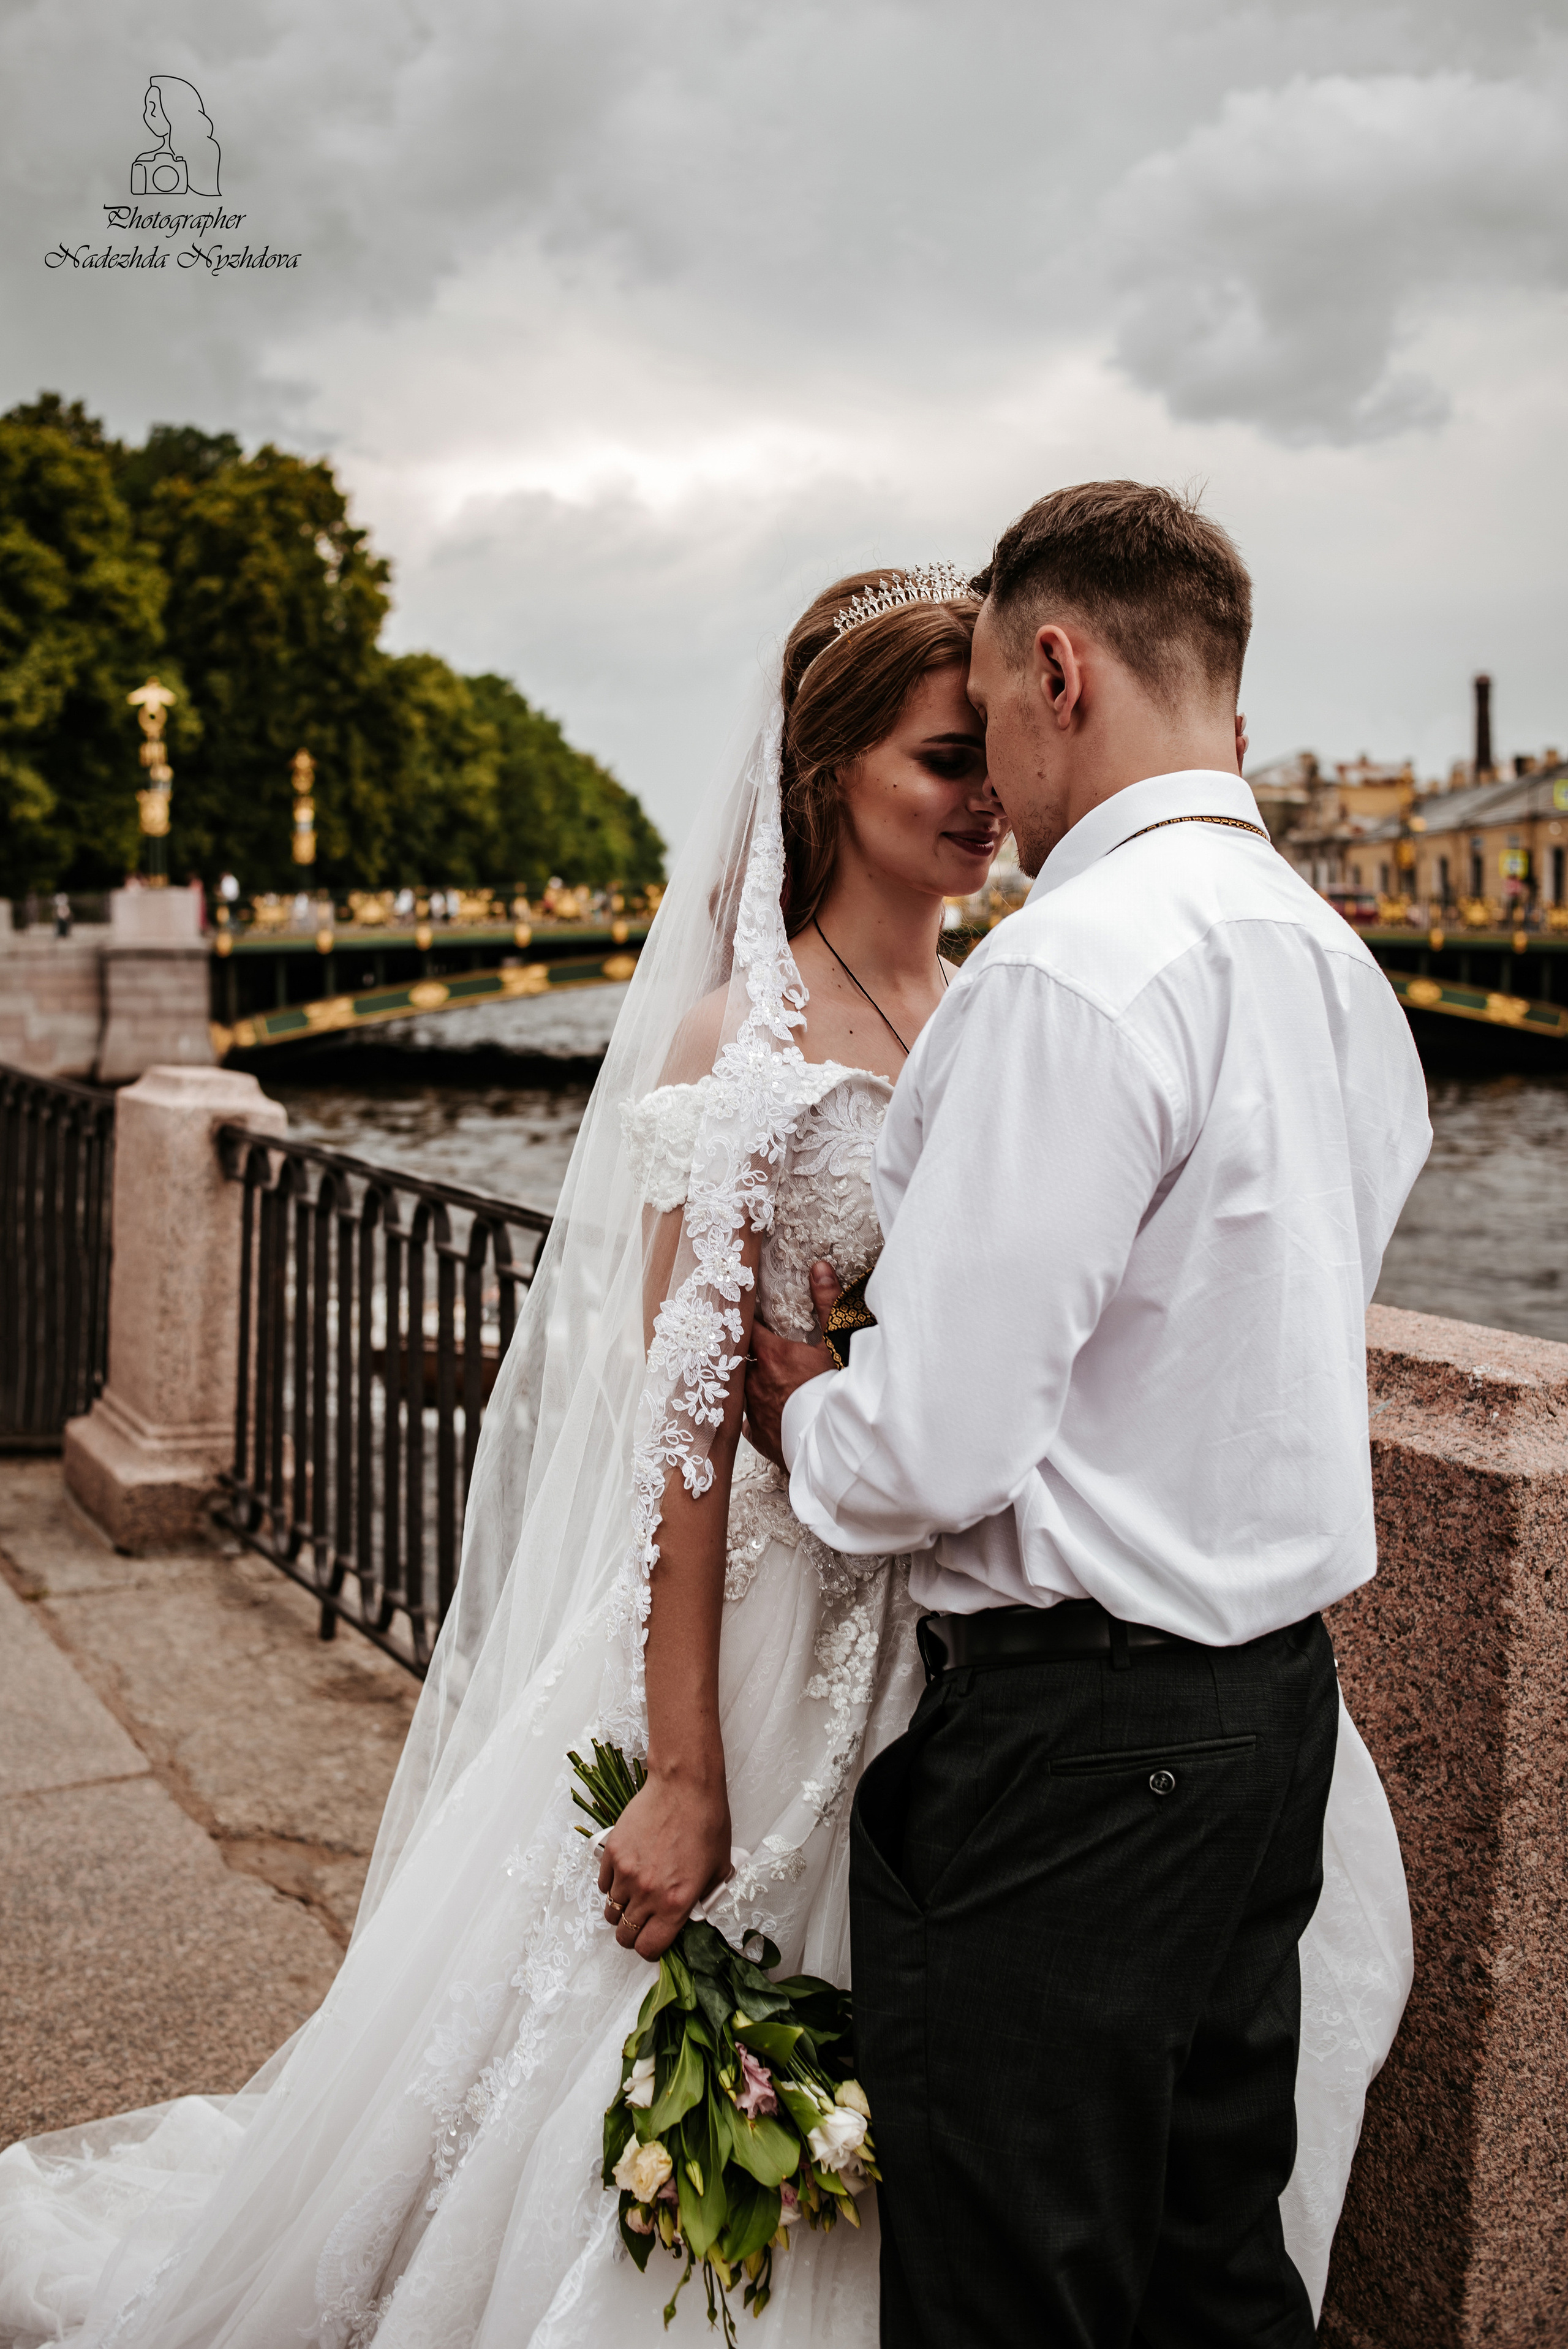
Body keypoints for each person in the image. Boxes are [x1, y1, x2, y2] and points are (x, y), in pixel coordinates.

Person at [0, 553, 1409, 2349]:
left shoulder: (1016, 996)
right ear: (829, 778)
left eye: (991, 751)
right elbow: (683, 1438)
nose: (989, 796)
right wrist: (684, 1763)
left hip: (983, 1653)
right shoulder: (736, 1046)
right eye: (940, 759)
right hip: (778, 1626)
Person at [743, 483, 1431, 2347]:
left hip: (1072, 1750)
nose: (994, 792)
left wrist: (807, 1407)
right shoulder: (1334, 964)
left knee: (1011, 2287)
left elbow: (941, 1444)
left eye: (989, 708)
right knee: (1214, 2262)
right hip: (1274, 1712)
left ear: (1057, 667)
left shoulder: (1071, 964)